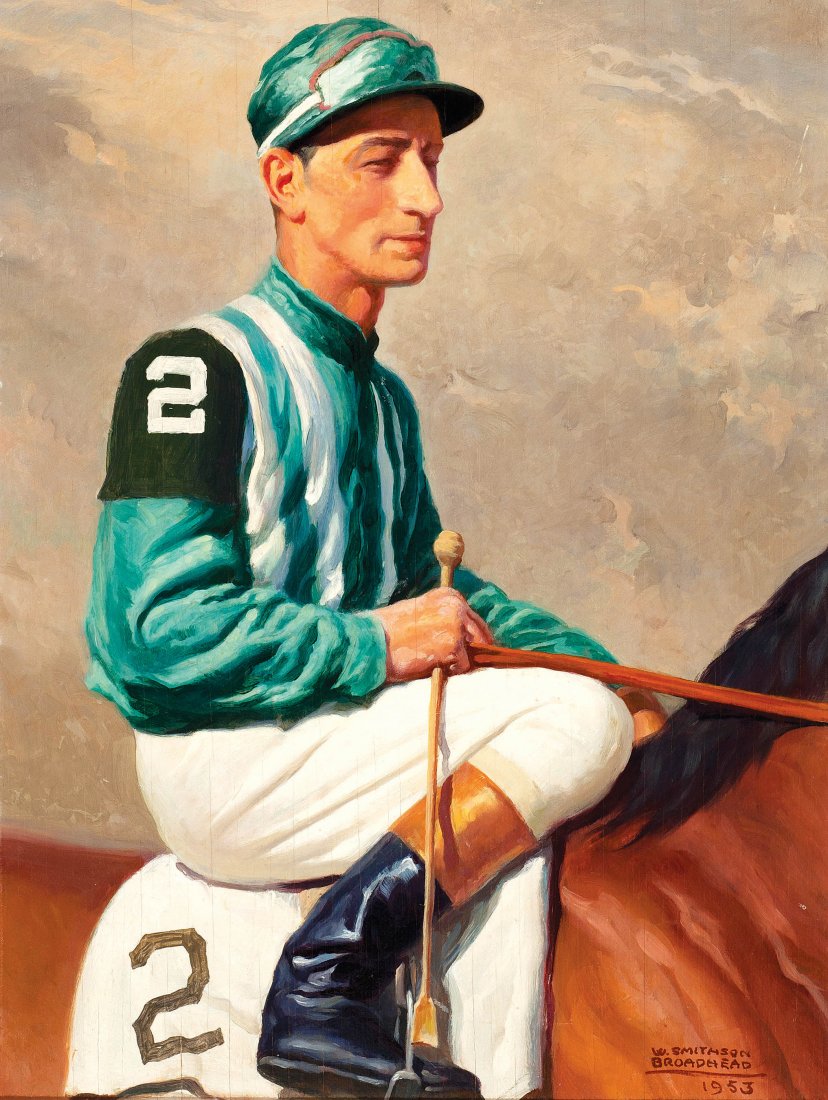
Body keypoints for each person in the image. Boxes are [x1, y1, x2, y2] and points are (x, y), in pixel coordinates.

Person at [85, 16, 636, 1098]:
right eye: (383, 162)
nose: (426, 198)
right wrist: (376, 645)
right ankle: (323, 985)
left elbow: (437, 594)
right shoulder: (191, 369)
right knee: (579, 725)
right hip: (224, 753)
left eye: (431, 160)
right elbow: (152, 635)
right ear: (284, 179)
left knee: (598, 705)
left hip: (333, 737)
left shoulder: (384, 400)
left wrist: (613, 672)